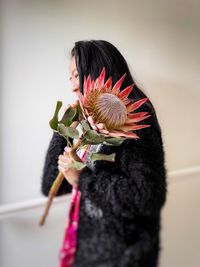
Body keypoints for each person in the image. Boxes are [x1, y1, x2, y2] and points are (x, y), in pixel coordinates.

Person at [41, 40, 167, 267]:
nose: (73, 87)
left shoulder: (135, 120)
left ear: (98, 71)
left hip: (124, 256)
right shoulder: (91, 123)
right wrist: (62, 129)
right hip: (89, 250)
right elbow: (52, 184)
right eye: (70, 78)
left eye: (77, 75)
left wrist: (82, 178)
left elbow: (146, 197)